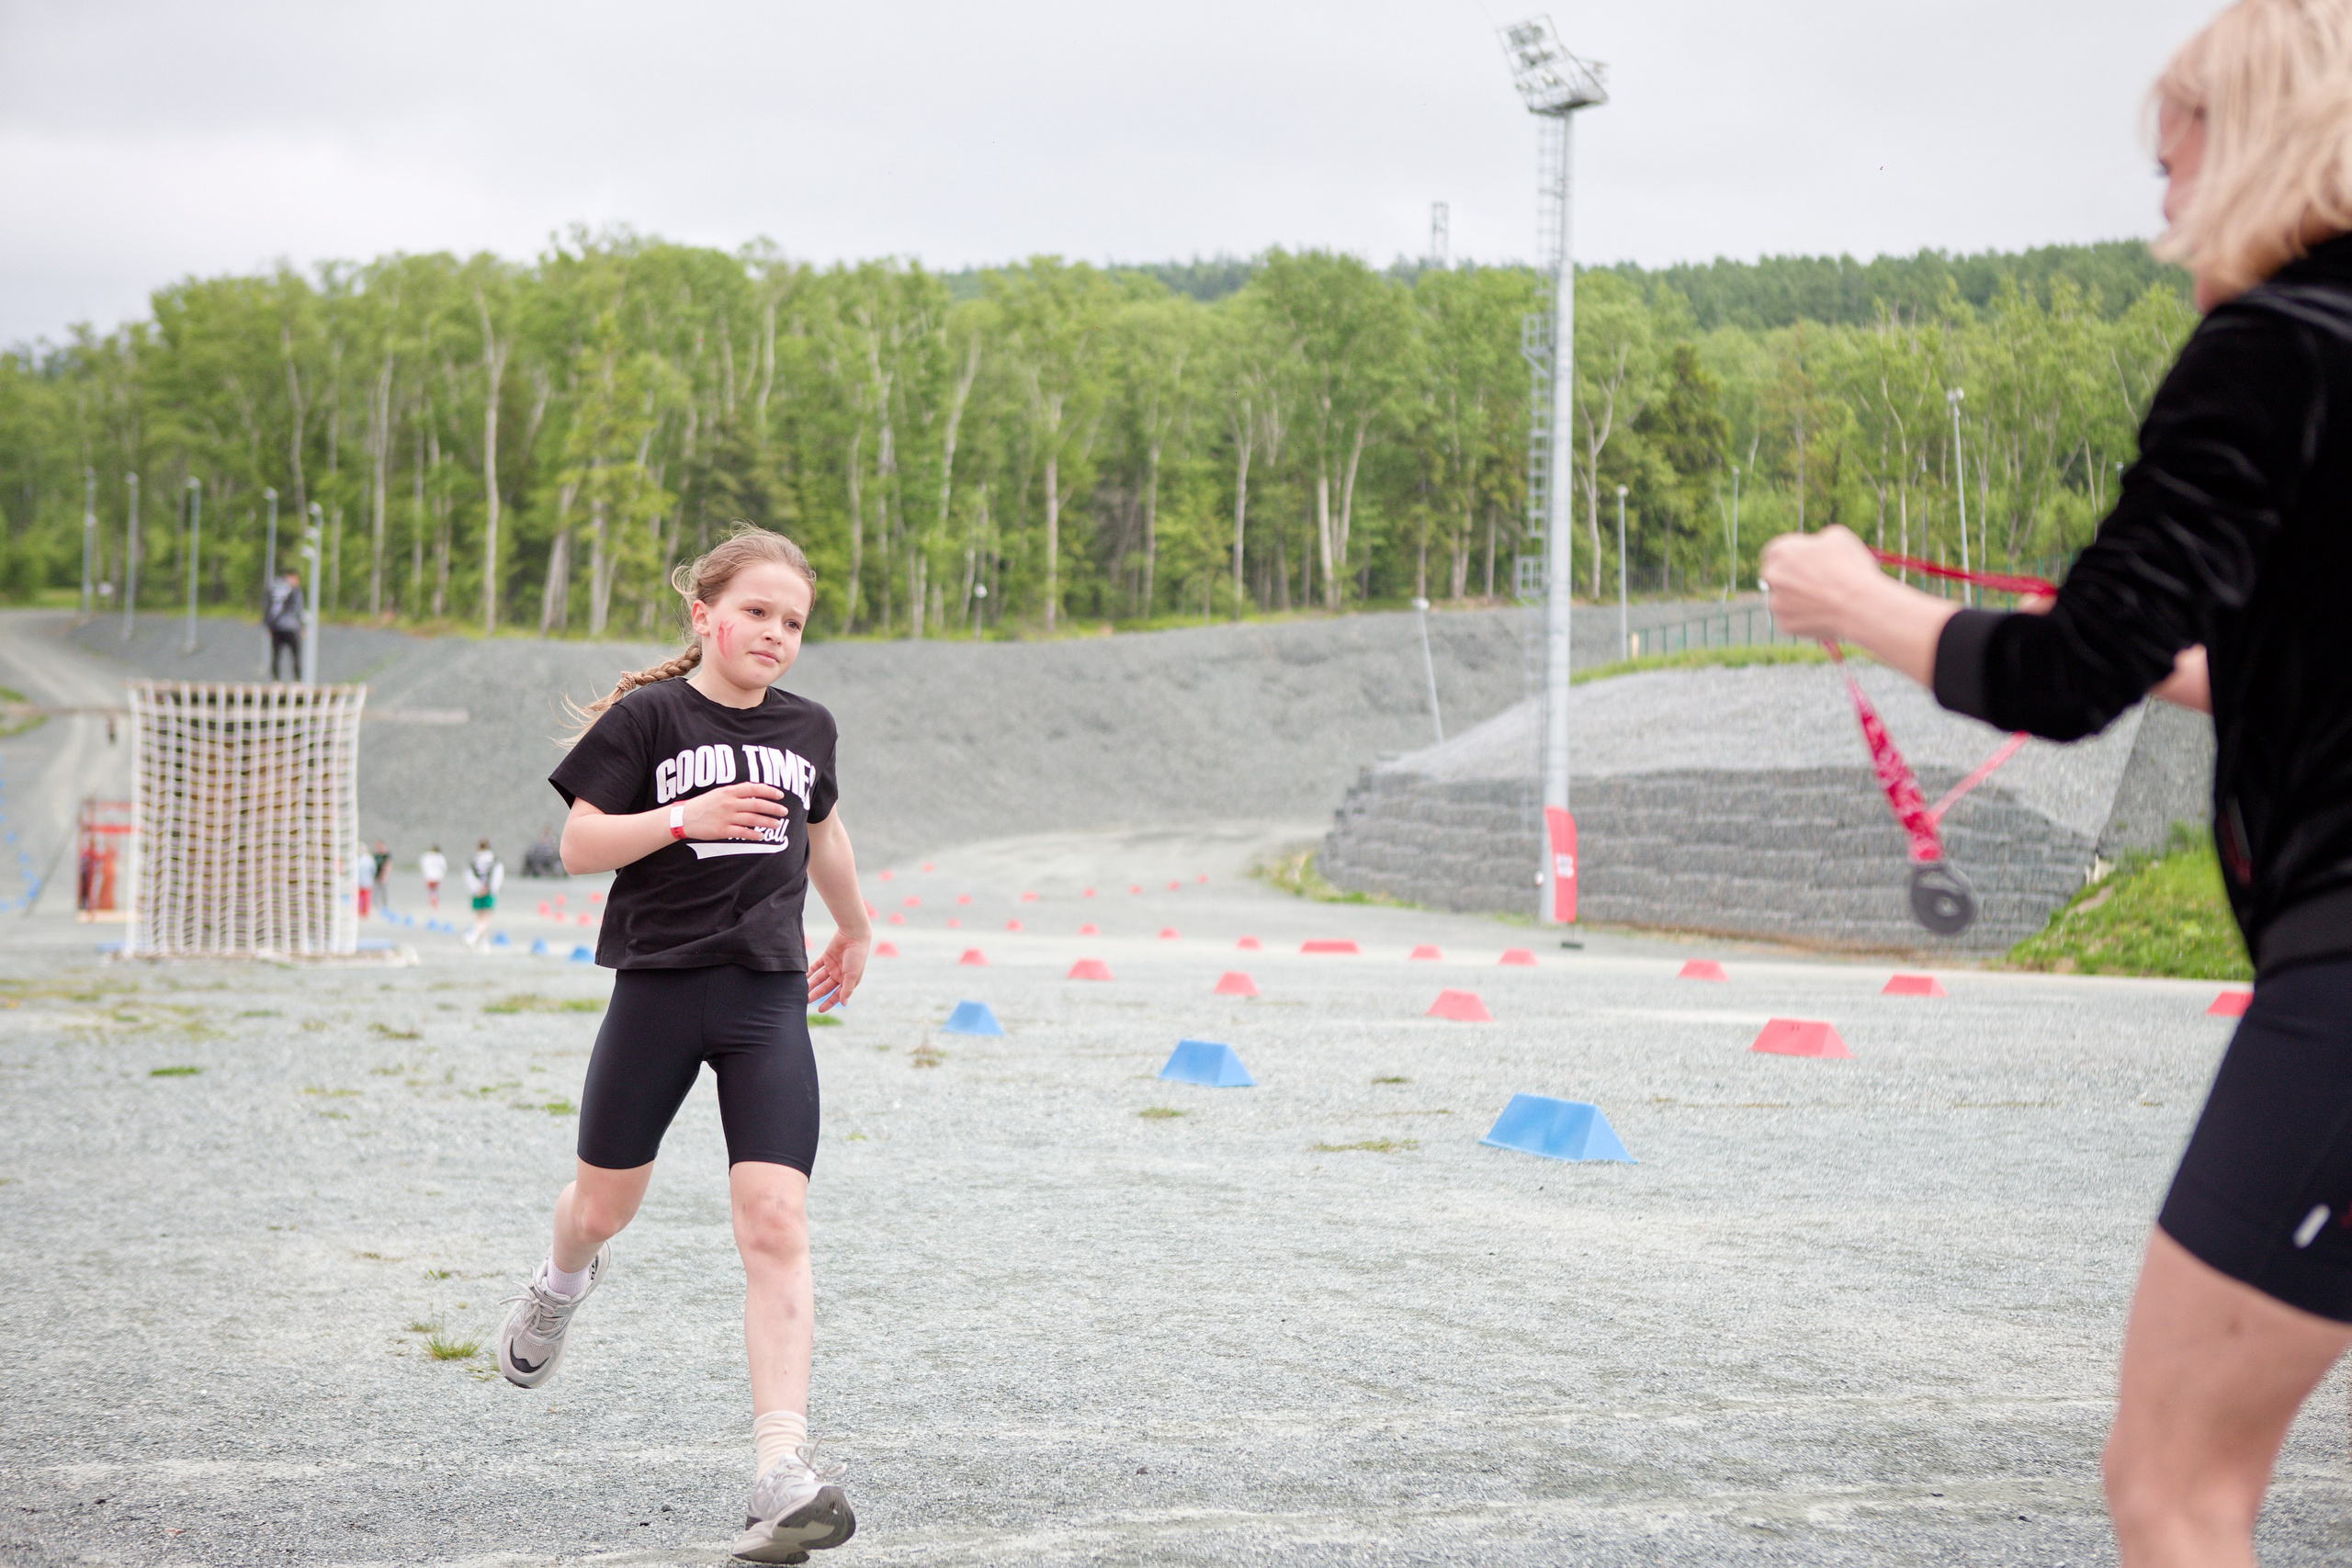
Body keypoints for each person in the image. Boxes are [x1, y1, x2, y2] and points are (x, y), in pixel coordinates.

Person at [1758, 6, 2352, 1560]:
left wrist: (1854, 600)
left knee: (2173, 1485)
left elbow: (2063, 682)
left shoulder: (2276, 346)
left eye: (2174, 164)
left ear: (2255, 138)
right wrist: (2160, 640)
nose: (2161, 208)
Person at [492, 525, 868, 1563]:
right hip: (657, 991)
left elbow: (822, 829)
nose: (775, 634)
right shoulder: (648, 716)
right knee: (603, 1206)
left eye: (793, 622)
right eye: (756, 612)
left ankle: (779, 1471)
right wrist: (684, 812)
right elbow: (574, 847)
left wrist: (857, 924)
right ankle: (560, 1282)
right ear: (704, 615)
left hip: (765, 999)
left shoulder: (809, 729)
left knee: (776, 1219)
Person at [264, 570, 303, 681]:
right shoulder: (293, 590)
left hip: (275, 627)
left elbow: (267, 607)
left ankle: (276, 681)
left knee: (276, 655)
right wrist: (301, 627)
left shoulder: (274, 588)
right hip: (290, 628)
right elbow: (299, 609)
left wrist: (268, 625)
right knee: (295, 655)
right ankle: (297, 680)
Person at [463, 840, 502, 948]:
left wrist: (476, 888)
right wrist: (491, 889)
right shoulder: (494, 860)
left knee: (479, 917)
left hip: (476, 892)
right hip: (489, 892)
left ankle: (483, 942)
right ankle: (472, 936)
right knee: (486, 918)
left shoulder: (474, 860)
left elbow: (469, 875)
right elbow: (497, 876)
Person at [350, 844, 376, 920]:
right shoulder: (358, 859)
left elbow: (372, 870)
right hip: (360, 881)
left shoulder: (367, 859)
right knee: (359, 897)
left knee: (364, 897)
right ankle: (360, 912)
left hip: (364, 881)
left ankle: (363, 912)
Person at [419, 844, 447, 912]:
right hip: (437, 877)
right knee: (434, 891)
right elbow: (444, 867)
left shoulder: (427, 856)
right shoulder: (440, 857)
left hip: (430, 877)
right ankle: (435, 903)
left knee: (431, 891)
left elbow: (423, 866)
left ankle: (433, 904)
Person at [370, 840, 391, 918]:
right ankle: (376, 905)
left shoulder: (386, 855)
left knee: (384, 891)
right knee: (376, 891)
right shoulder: (376, 855)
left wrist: (385, 876)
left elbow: (388, 865)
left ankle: (385, 906)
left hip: (383, 877)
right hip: (376, 876)